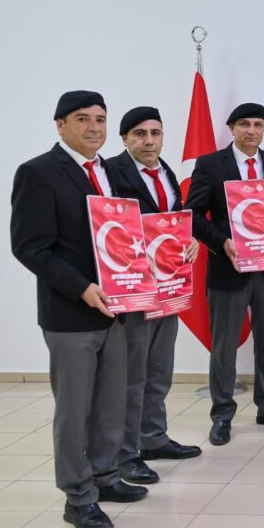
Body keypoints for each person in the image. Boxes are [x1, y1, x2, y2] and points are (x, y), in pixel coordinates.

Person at [10, 91, 148, 528]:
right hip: (72, 314)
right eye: (83, 119)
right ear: (60, 125)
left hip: (119, 309)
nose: (94, 127)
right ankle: (77, 495)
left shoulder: (110, 172)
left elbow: (131, 230)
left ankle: (106, 477)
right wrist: (83, 288)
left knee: (112, 402)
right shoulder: (38, 172)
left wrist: (173, 243)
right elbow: (30, 247)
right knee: (74, 409)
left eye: (101, 119)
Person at [186, 102, 264, 446]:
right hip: (229, 268)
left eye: (258, 124)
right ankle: (222, 414)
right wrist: (222, 243)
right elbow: (193, 214)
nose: (251, 130)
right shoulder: (210, 165)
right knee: (223, 345)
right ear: (232, 129)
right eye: (244, 125)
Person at [106, 106, 203, 484]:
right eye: (140, 134)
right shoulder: (112, 173)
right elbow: (110, 225)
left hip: (169, 284)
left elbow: (173, 220)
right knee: (132, 374)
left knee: (159, 370)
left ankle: (153, 438)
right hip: (135, 287)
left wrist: (190, 239)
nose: (149, 141)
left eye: (156, 133)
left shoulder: (167, 172)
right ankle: (125, 452)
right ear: (126, 139)